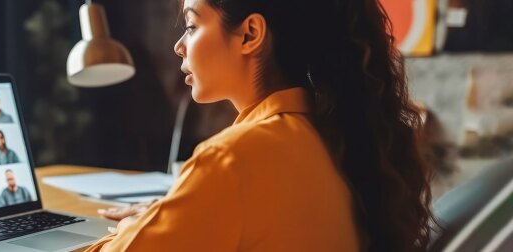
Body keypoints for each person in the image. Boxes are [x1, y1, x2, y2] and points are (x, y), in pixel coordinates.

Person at [86, 0, 433, 251]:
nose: (179, 46)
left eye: (192, 26)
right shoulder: (330, 136)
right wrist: (176, 214)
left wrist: (135, 228)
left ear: (250, 33)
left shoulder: (231, 161)